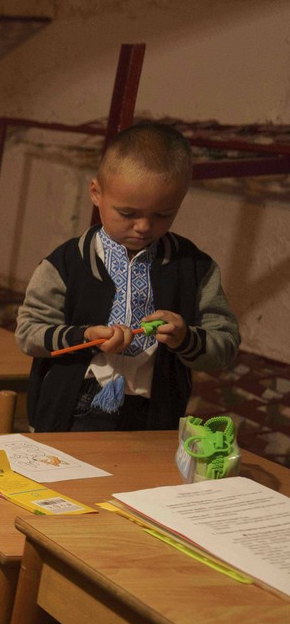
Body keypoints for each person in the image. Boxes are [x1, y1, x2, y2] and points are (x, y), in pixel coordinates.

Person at [15, 122, 240, 433]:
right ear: (96, 193)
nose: (144, 227)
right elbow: (28, 333)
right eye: (128, 213)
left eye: (163, 214)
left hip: (155, 413)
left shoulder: (194, 268)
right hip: (72, 408)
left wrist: (185, 338)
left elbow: (225, 345)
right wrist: (85, 336)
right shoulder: (67, 263)